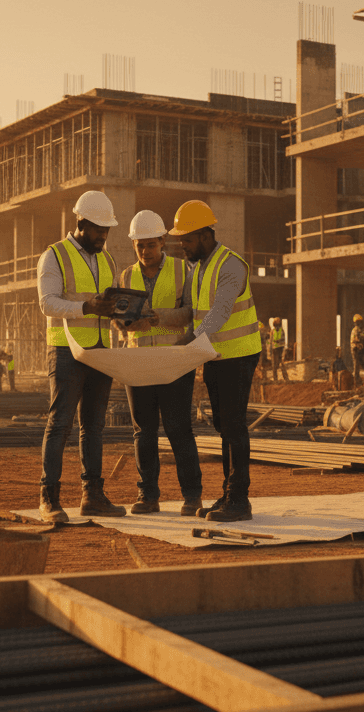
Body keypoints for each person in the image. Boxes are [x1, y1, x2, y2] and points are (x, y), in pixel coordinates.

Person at [169, 199, 262, 523]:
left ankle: (239, 500)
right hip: (216, 355)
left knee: (233, 426)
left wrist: (190, 340)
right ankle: (228, 494)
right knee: (224, 426)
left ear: (206, 236)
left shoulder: (230, 265)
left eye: (187, 239)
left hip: (239, 355)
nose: (182, 245)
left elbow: (220, 312)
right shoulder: (199, 268)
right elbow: (197, 314)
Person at [36, 190, 126, 522]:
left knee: (94, 426)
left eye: (107, 230)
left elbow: (106, 303)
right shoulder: (54, 255)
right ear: (81, 223)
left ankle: (93, 496)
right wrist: (86, 307)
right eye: (98, 230)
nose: (103, 236)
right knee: (60, 423)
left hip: (100, 350)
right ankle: (49, 497)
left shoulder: (107, 259)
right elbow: (47, 303)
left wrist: (121, 313)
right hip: (66, 350)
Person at [114, 209, 203, 516]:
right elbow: (119, 321)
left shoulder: (182, 270)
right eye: (139, 245)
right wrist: (125, 323)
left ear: (163, 241)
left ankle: (192, 496)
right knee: (143, 432)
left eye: (150, 245)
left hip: (173, 360)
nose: (145, 251)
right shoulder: (126, 276)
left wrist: (156, 318)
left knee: (179, 429)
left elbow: (190, 313)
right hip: (138, 362)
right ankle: (147, 495)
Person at [350, 315, 364, 384]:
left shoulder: (359, 329)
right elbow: (358, 339)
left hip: (359, 349)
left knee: (362, 364)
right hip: (356, 349)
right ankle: (356, 381)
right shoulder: (356, 330)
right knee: (356, 365)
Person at [268, 317, 287, 382]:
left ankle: (278, 379)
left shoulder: (274, 331)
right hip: (278, 349)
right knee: (279, 364)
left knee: (277, 364)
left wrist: (270, 351)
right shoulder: (280, 330)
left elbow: (271, 341)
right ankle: (282, 378)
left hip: (277, 349)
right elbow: (283, 340)